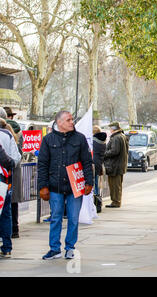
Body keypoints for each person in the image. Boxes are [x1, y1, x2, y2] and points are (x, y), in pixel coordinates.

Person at [37, 110, 93, 260]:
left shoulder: (80, 139)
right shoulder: (48, 140)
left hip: (75, 187)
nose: (72, 122)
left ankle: (70, 247)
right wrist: (43, 186)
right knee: (56, 217)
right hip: (55, 186)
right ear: (59, 122)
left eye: (72, 119)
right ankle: (55, 249)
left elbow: (87, 162)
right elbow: (42, 164)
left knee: (73, 218)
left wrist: (89, 182)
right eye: (68, 120)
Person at [0, 113, 22, 258]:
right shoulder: (8, 135)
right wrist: (9, 165)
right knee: (6, 213)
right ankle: (7, 246)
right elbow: (17, 158)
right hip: (5, 178)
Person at [103, 121, 128, 208]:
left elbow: (114, 151)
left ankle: (115, 201)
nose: (109, 130)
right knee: (117, 185)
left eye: (110, 128)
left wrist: (104, 154)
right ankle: (116, 201)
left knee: (114, 185)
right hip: (120, 164)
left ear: (113, 129)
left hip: (115, 165)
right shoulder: (122, 136)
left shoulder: (116, 138)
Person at [93, 125, 107, 212]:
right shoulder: (102, 142)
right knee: (97, 184)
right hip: (99, 165)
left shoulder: (94, 142)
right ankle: (98, 202)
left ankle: (95, 203)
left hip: (93, 164)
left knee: (93, 184)